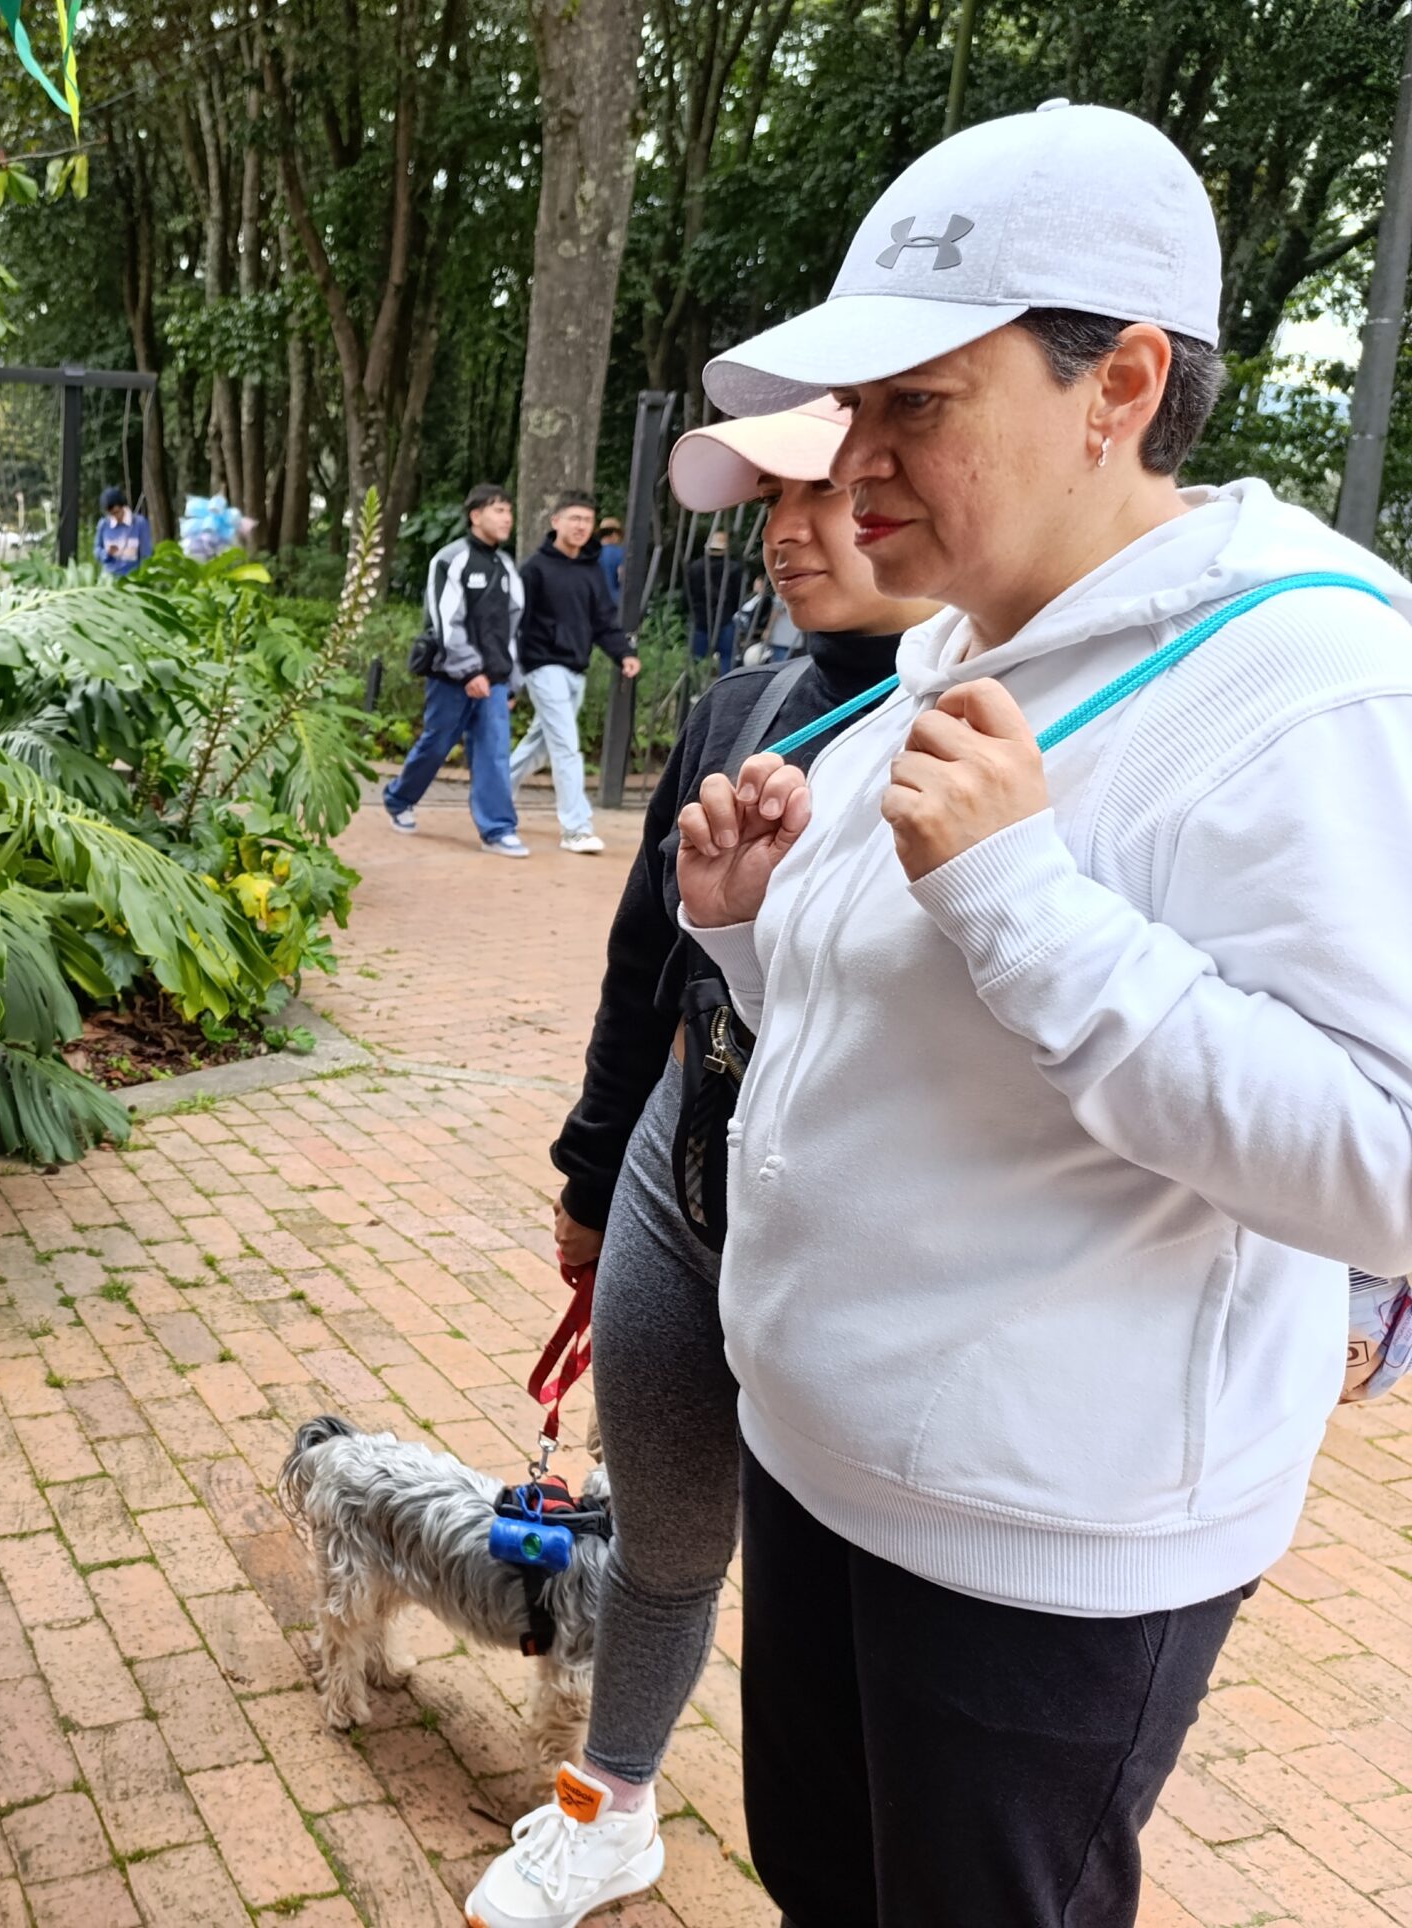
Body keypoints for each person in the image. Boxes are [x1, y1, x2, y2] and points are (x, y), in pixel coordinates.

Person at [676, 104, 1412, 1923]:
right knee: (825, 1883)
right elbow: (916, 1049)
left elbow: (1385, 1166)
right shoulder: (948, 649)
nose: (855, 470)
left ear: (1125, 384)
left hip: (1041, 1547)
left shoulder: (1315, 679)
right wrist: (754, 929)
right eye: (859, 412)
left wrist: (1027, 904)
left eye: (918, 402)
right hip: (827, 1458)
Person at [463, 398, 940, 1928]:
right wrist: (596, 1181)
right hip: (687, 1172)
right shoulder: (743, 705)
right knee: (663, 1538)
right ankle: (607, 1812)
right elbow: (644, 967)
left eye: (829, 497)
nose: (789, 536)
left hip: (877, 1246)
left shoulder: (993, 736)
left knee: (867, 1610)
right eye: (772, 505)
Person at [382, 484, 530, 856]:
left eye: (509, 511)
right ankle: (399, 799)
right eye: (498, 510)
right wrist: (468, 671)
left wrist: (510, 683)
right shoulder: (451, 559)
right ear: (475, 515)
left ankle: (497, 829)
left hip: (493, 679)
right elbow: (446, 621)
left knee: (494, 750)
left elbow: (512, 628)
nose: (506, 518)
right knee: (437, 743)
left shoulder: (507, 566)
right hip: (452, 676)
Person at [511, 491, 641, 854]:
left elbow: (603, 621)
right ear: (556, 522)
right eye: (575, 519)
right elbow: (515, 622)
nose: (582, 526)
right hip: (542, 665)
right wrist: (513, 676)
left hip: (574, 670)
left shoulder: (591, 570)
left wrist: (624, 654)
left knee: (539, 745)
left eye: (587, 520)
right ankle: (576, 829)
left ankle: (494, 795)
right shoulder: (534, 569)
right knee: (567, 746)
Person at [683, 528, 745, 671]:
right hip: (725, 618)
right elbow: (738, 596)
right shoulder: (734, 568)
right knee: (727, 659)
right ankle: (725, 690)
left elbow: (686, 597)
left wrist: (692, 612)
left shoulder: (695, 567)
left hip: (699, 620)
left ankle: (693, 691)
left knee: (695, 661)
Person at [95, 485, 151, 578]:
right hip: (109, 577)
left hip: (132, 578)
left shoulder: (139, 523)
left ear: (123, 507)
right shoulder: (104, 524)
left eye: (116, 512)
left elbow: (146, 554)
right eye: (111, 514)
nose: (115, 517)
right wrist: (106, 553)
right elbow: (97, 550)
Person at [595, 516, 626, 600]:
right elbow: (623, 578)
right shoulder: (622, 553)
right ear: (614, 534)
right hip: (616, 603)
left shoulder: (591, 554)